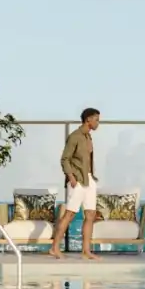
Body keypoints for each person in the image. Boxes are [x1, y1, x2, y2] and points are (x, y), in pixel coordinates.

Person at [53, 107, 100, 256]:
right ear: (88, 120)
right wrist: (71, 177)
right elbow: (64, 159)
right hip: (78, 180)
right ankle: (54, 248)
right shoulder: (75, 136)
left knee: (91, 214)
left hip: (89, 179)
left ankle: (86, 251)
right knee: (70, 214)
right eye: (96, 120)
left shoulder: (88, 137)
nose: (98, 123)